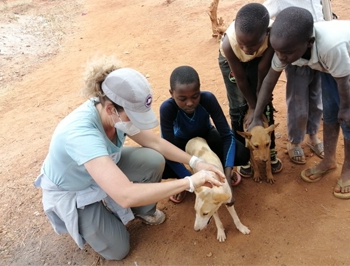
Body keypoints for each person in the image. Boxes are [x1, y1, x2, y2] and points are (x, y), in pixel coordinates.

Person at [33, 56, 225, 261]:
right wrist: (189, 182)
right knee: (119, 249)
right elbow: (125, 195)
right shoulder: (82, 135)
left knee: (154, 159)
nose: (135, 122)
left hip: (106, 163)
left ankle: (142, 211)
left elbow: (156, 143)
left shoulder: (115, 112)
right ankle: (94, 214)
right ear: (110, 109)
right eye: (132, 116)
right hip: (75, 187)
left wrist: (196, 162)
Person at [251, 7, 350, 199]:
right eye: (277, 51)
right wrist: (256, 117)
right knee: (329, 113)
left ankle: (348, 169)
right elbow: (270, 80)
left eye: (286, 53)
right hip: (332, 69)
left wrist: (346, 107)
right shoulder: (286, 47)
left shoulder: (330, 47)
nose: (280, 57)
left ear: (309, 42)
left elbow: (344, 80)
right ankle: (329, 160)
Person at [160, 65, 250, 203]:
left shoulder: (208, 99)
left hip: (207, 135)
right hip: (181, 142)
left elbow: (227, 135)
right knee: (161, 165)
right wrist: (192, 181)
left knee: (241, 154)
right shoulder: (167, 109)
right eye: (182, 98)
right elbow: (167, 149)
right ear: (171, 93)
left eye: (195, 96)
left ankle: (219, 173)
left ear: (200, 89)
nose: (189, 103)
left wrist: (226, 177)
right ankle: (183, 182)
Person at [218, 3, 283, 178]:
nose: (246, 49)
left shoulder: (273, 36)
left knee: (265, 104)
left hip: (260, 61)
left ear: (266, 34)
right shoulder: (228, 45)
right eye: (243, 44)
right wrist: (253, 109)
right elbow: (240, 79)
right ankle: (244, 155)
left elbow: (263, 69)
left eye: (252, 44)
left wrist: (259, 105)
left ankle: (270, 150)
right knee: (239, 107)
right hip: (231, 62)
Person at [263, 0, 325, 165]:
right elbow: (263, 13)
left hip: (319, 54)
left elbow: (324, 13)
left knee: (317, 100)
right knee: (298, 105)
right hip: (296, 60)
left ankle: (312, 136)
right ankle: (295, 141)